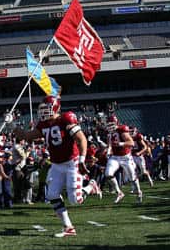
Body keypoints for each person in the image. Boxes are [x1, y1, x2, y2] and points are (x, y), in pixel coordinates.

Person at [14, 95, 88, 238]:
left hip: (71, 162)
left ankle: (91, 186)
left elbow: (81, 139)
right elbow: (27, 136)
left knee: (75, 200)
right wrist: (12, 125)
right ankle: (68, 227)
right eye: (41, 109)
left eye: (46, 109)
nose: (43, 112)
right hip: (56, 164)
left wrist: (83, 159)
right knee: (52, 195)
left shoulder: (65, 118)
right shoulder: (43, 125)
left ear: (55, 107)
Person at [104, 116, 143, 204]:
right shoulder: (109, 133)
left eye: (111, 124)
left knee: (132, 178)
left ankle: (139, 192)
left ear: (116, 123)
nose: (110, 126)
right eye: (108, 124)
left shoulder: (122, 130)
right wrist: (108, 151)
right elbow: (109, 145)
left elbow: (131, 143)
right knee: (108, 174)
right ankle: (119, 192)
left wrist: (120, 143)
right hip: (114, 157)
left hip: (126, 157)